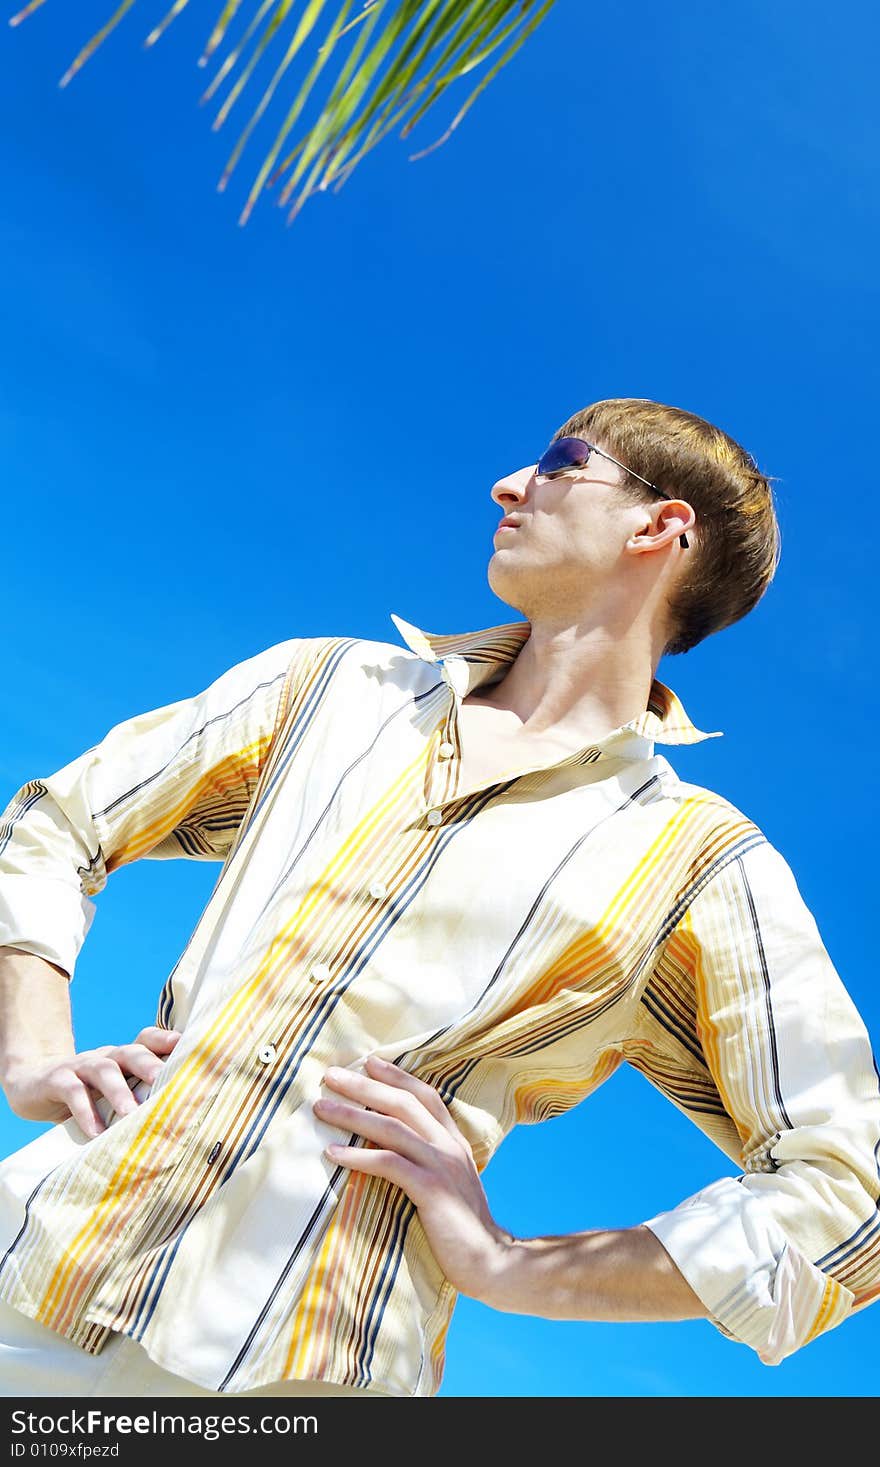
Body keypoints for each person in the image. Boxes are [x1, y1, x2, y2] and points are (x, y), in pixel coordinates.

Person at [0, 396, 877, 1400]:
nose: (509, 484)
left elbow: (847, 1189)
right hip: (34, 1273)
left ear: (659, 527)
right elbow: (53, 827)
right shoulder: (326, 688)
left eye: (559, 461)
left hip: (311, 1381)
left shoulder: (696, 862)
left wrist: (510, 1264)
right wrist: (32, 1057)